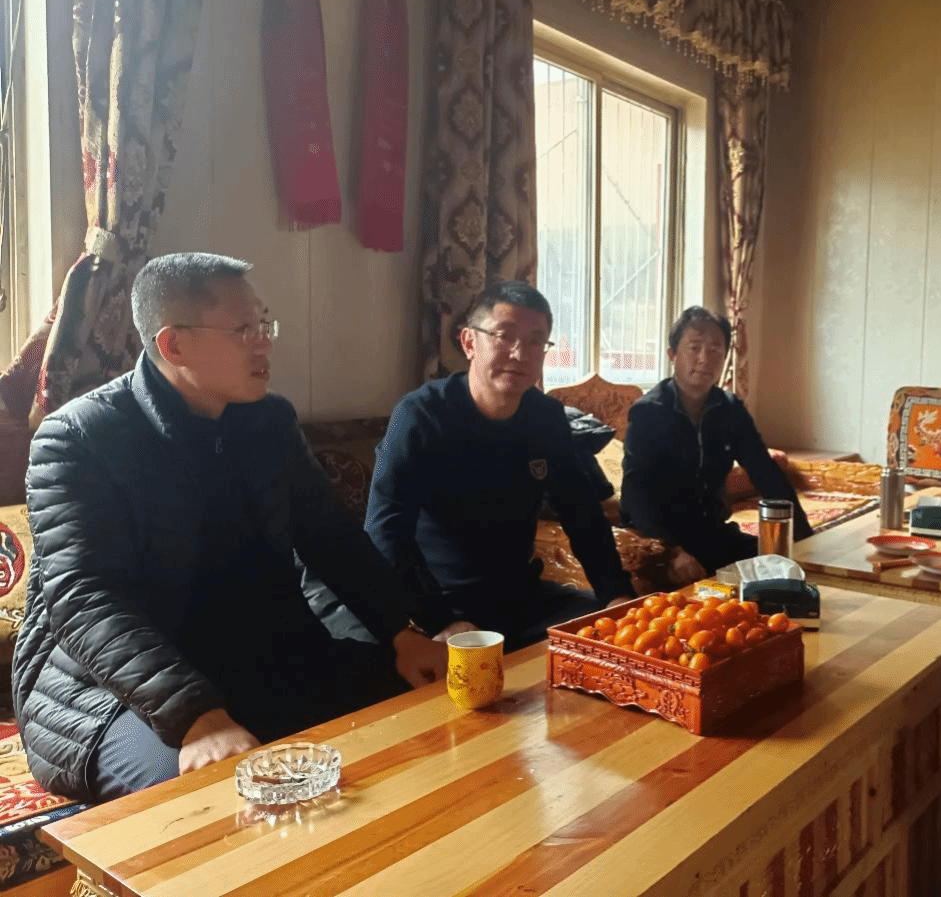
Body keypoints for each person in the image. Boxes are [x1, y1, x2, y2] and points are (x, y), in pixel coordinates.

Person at [12, 253, 448, 802]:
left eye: (264, 325)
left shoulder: (268, 421)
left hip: (255, 657)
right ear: (173, 345)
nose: (264, 343)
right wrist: (197, 717)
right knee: (220, 797)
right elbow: (84, 601)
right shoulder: (79, 438)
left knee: (428, 714)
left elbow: (332, 538)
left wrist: (401, 632)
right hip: (106, 692)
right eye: (244, 330)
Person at [365, 281, 633, 650]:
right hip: (443, 605)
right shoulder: (420, 416)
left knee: (615, 637)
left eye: (535, 341)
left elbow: (582, 515)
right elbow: (385, 528)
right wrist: (439, 618)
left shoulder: (546, 417)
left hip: (523, 598)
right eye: (504, 336)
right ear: (469, 342)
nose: (520, 353)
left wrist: (616, 594)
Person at [620, 306, 813, 586]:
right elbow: (635, 495)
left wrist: (804, 538)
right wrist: (671, 551)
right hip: (658, 539)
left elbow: (765, 472)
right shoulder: (649, 412)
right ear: (672, 355)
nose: (704, 359)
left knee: (782, 565)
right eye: (694, 348)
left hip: (711, 532)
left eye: (714, 350)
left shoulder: (729, 409)